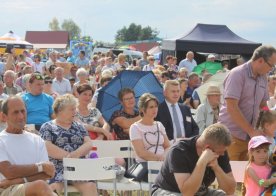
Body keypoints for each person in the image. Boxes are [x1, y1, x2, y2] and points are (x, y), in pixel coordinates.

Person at [218, 45, 276, 161]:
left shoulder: (263, 78)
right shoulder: (237, 74)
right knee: (230, 176)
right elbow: (232, 107)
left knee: (247, 177)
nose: (272, 69)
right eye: (271, 65)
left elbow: (263, 106)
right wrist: (251, 131)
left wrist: (269, 121)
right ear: (260, 60)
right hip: (231, 137)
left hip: (250, 138)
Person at [152, 123, 236, 196]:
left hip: (198, 192)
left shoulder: (220, 150)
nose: (222, 154)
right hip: (166, 191)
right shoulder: (179, 151)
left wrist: (216, 167)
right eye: (220, 152)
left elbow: (230, 190)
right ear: (207, 148)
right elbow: (188, 193)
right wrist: (202, 162)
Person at [39, 94, 97, 195]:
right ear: (60, 110)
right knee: (54, 188)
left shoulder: (79, 126)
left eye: (75, 109)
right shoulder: (48, 127)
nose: (75, 112)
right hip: (57, 167)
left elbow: (89, 143)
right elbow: (47, 146)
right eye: (72, 109)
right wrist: (68, 157)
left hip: (78, 166)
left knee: (90, 186)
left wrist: (75, 155)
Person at [0, 96, 55, 196]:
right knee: (41, 186)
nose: (21, 116)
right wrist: (40, 166)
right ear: (4, 117)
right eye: (15, 112)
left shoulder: (37, 139)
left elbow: (48, 173)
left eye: (23, 111)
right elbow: (9, 171)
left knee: (41, 186)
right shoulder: (1, 140)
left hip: (33, 188)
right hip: (7, 190)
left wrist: (15, 180)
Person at [130, 93, 170, 163]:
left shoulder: (159, 125)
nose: (155, 109)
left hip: (163, 163)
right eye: (151, 107)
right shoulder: (135, 127)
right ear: (142, 109)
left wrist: (164, 158)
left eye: (156, 106)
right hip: (146, 165)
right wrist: (159, 159)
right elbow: (141, 153)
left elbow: (167, 146)